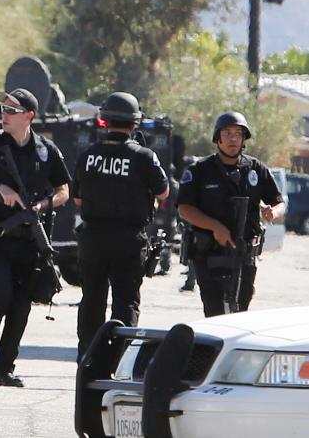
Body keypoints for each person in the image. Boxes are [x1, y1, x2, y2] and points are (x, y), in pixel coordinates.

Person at [0, 88, 71, 387]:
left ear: (29, 116)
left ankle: (4, 368)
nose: (4, 114)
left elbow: (64, 191)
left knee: (21, 306)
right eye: (3, 109)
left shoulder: (46, 151)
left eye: (11, 110)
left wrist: (44, 205)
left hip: (29, 240)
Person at [73, 92, 169, 361]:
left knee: (92, 299)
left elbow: (78, 197)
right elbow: (163, 193)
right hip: (128, 239)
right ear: (134, 124)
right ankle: (117, 360)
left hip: (92, 238)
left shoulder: (88, 156)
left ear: (104, 121)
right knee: (126, 302)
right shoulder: (144, 157)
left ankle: (87, 357)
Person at [176, 112, 285, 317]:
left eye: (238, 133)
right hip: (210, 253)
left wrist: (272, 212)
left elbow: (279, 202)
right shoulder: (200, 170)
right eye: (227, 133)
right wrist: (215, 227)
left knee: (241, 311)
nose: (233, 138)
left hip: (244, 254)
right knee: (214, 310)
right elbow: (185, 208)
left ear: (244, 138)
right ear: (218, 137)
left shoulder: (255, 169)